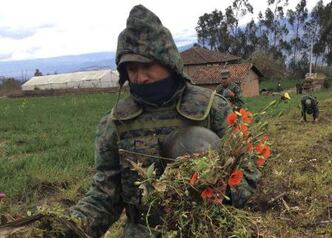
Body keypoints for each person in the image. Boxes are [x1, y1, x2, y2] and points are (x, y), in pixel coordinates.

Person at [67, 5, 259, 237]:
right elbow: (104, 196)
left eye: (147, 66)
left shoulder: (212, 108)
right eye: (132, 69)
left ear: (168, 62)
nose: (140, 77)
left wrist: (223, 189)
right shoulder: (115, 123)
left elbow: (248, 171)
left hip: (205, 230)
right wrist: (67, 228)